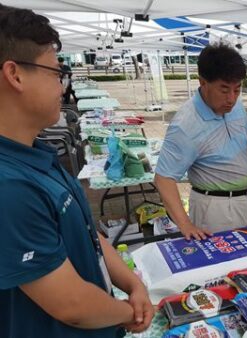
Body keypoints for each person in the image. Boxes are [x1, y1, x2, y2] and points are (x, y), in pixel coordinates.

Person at [0, 4, 154, 338]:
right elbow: (72, 305)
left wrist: (132, 284)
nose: (62, 87)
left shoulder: (35, 154)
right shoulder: (9, 185)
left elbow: (87, 232)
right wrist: (130, 311)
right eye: (57, 73)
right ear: (15, 75)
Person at [154, 43, 247, 240]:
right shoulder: (185, 125)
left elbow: (245, 138)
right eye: (224, 90)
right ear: (203, 82)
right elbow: (163, 179)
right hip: (214, 209)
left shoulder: (236, 106)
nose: (231, 98)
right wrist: (185, 224)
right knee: (224, 267)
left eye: (237, 89)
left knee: (246, 263)